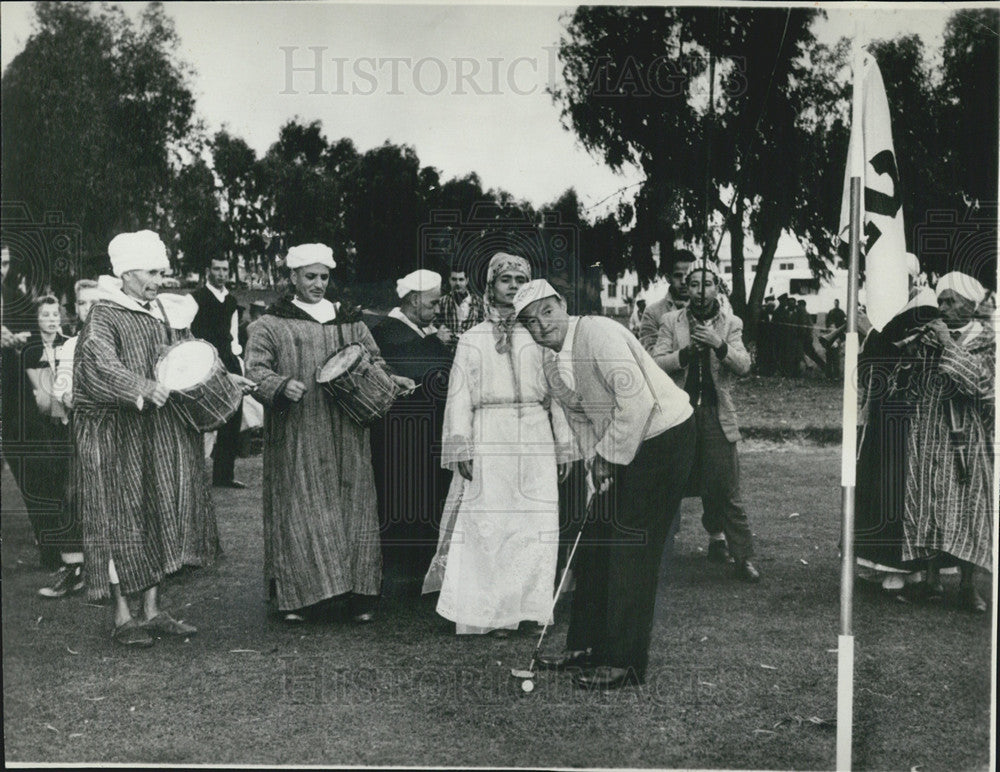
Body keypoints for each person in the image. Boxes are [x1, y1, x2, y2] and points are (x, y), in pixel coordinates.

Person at [515, 279, 696, 690]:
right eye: (530, 322)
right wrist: (592, 464)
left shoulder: (597, 331)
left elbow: (637, 401)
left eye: (546, 312)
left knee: (631, 547)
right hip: (622, 439)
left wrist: (607, 459)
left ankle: (624, 661)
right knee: (596, 543)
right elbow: (580, 418)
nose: (541, 326)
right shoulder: (549, 360)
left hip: (664, 437)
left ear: (562, 304)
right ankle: (585, 647)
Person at [74, 231, 241, 647]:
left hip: (157, 432)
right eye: (151, 272)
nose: (159, 280)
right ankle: (122, 617)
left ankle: (151, 610)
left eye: (161, 272)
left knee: (159, 510)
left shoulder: (161, 311)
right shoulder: (104, 315)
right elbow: (97, 365)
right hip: (116, 435)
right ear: (127, 273)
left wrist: (223, 376)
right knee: (121, 517)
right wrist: (141, 386)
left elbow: (182, 360)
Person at [245, 243, 414, 624]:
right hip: (298, 430)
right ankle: (300, 598)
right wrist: (280, 384)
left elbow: (374, 359)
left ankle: (359, 594)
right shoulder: (270, 323)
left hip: (347, 428)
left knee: (353, 506)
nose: (319, 284)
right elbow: (254, 371)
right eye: (310, 277)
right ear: (292, 278)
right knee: (301, 506)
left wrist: (390, 378)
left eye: (324, 276)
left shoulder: (350, 321)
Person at [423, 253, 572, 637]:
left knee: (534, 522)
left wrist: (564, 445)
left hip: (536, 434)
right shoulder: (472, 338)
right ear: (490, 285)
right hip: (490, 432)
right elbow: (458, 395)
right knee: (492, 523)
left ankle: (527, 608)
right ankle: (492, 612)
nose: (513, 286)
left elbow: (557, 393)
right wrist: (461, 447)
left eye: (521, 279)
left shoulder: (539, 335)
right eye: (506, 279)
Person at [650, 260, 760, 582]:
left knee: (726, 488)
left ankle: (744, 558)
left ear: (717, 288)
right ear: (687, 288)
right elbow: (656, 362)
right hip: (678, 414)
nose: (700, 290)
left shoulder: (731, 323)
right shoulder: (671, 321)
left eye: (707, 284)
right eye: (694, 283)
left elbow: (743, 365)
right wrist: (684, 354)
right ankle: (658, 556)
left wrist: (717, 344)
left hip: (715, 414)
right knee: (669, 485)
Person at [902, 272, 993, 613]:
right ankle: (930, 579)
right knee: (927, 504)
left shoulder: (989, 341)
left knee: (968, 508)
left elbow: (982, 385)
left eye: (951, 301)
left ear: (971, 305)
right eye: (940, 301)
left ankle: (968, 586)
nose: (943, 307)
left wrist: (948, 345)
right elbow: (911, 387)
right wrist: (911, 358)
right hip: (928, 432)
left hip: (965, 437)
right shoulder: (930, 338)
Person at [370, 269, 454, 593]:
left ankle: (419, 567)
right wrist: (436, 344)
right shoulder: (391, 333)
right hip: (400, 438)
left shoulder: (419, 332)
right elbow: (431, 373)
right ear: (414, 301)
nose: (436, 311)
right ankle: (401, 572)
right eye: (432, 304)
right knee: (402, 499)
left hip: (424, 434)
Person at [854, 287, 939, 594]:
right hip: (882, 421)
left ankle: (904, 568)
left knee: (901, 491)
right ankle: (875, 564)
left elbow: (915, 357)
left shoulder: (925, 308)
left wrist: (873, 334)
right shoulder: (887, 312)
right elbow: (870, 370)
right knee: (877, 488)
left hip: (909, 423)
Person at [38, 280, 101, 598]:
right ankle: (74, 568)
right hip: (82, 431)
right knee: (74, 493)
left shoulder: (111, 342)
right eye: (80, 303)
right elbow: (62, 392)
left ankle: (112, 572)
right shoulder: (71, 346)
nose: (86, 309)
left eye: (92, 302)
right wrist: (76, 398)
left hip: (117, 434)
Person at [18, 296, 71, 573]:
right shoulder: (30, 348)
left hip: (67, 421)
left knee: (67, 485)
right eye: (45, 315)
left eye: (55, 314)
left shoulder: (68, 342)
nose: (51, 319)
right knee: (48, 484)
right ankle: (51, 549)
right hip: (44, 423)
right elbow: (41, 394)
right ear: (36, 319)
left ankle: (69, 549)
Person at [191, 257, 246, 489]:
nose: (221, 273)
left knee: (232, 417)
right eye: (217, 269)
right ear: (208, 270)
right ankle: (193, 476)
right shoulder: (196, 298)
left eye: (225, 269)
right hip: (204, 360)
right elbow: (189, 331)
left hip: (228, 361)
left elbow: (233, 335)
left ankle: (223, 476)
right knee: (199, 417)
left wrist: (236, 360)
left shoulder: (232, 301)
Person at [638, 249, 696, 352]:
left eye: (688, 276)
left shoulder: (707, 309)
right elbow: (650, 354)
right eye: (678, 275)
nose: (683, 281)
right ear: (668, 278)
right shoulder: (652, 313)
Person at [435, 266, 485, 349]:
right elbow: (434, 326)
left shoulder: (479, 302)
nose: (457, 283)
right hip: (448, 352)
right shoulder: (441, 302)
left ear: (467, 280)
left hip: (470, 349)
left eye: (461, 279)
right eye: (454, 279)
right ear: (449, 280)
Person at [822, 299, 847, 380]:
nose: (836, 304)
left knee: (836, 357)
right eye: (835, 303)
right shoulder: (831, 312)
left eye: (837, 303)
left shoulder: (841, 312)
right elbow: (827, 323)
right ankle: (829, 375)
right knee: (829, 357)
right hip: (830, 336)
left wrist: (840, 337)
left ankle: (836, 375)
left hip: (838, 335)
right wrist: (829, 329)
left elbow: (844, 324)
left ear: (838, 303)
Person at [756, 296, 778, 375]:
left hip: (772, 339)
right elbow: (759, 327)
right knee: (763, 354)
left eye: (773, 307)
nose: (772, 308)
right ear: (767, 307)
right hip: (764, 338)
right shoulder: (762, 314)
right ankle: (762, 370)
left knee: (771, 355)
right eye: (770, 307)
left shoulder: (775, 315)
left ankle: (771, 371)